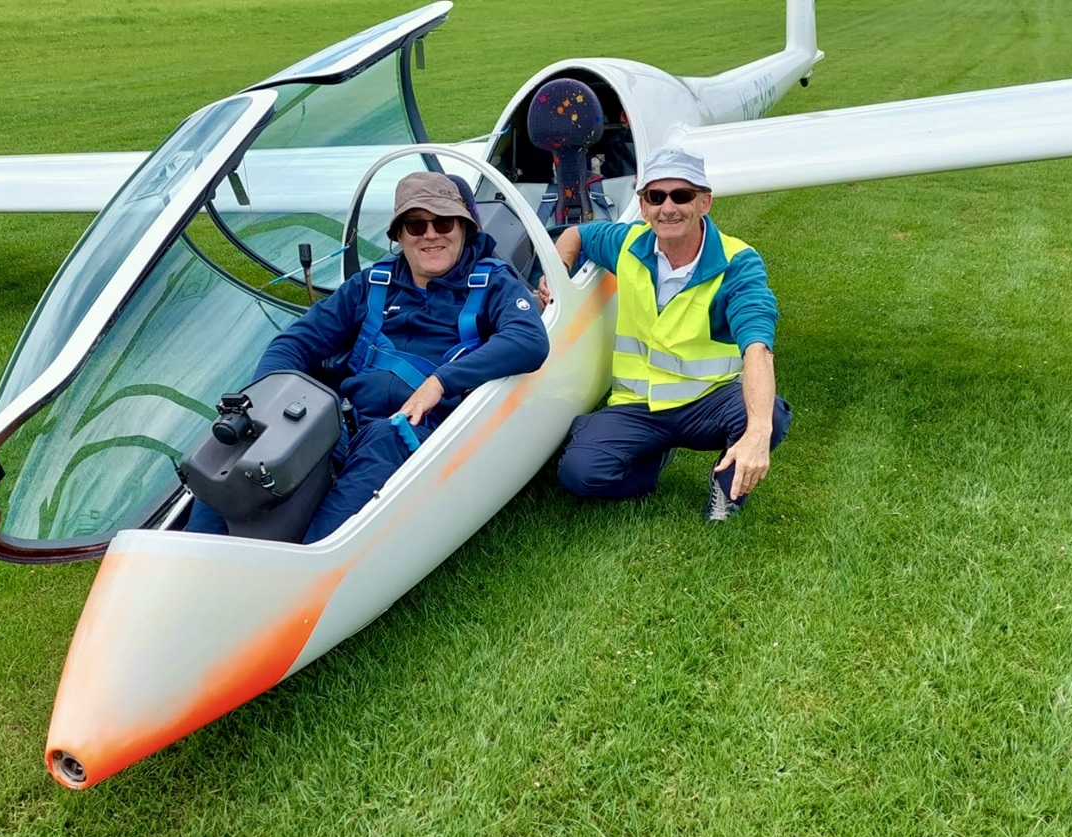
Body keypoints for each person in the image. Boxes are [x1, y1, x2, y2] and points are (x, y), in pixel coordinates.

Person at [188, 172, 549, 542]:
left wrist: (440, 382)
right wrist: (265, 409)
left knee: (385, 436)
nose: (430, 234)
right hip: (346, 425)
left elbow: (529, 340)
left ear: (464, 229)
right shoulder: (371, 284)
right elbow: (293, 344)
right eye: (416, 225)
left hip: (424, 434)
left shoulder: (492, 283)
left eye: (443, 223)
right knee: (239, 441)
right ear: (399, 235)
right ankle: (193, 551)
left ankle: (312, 559)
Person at [543, 147, 791, 521]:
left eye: (682, 195)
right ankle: (650, 463)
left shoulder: (737, 263)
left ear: (705, 202)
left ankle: (727, 491)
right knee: (579, 474)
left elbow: (758, 347)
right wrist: (558, 273)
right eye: (656, 197)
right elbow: (575, 234)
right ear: (643, 207)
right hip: (639, 406)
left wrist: (758, 431)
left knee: (769, 415)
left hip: (708, 401)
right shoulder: (628, 243)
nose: (668, 208)